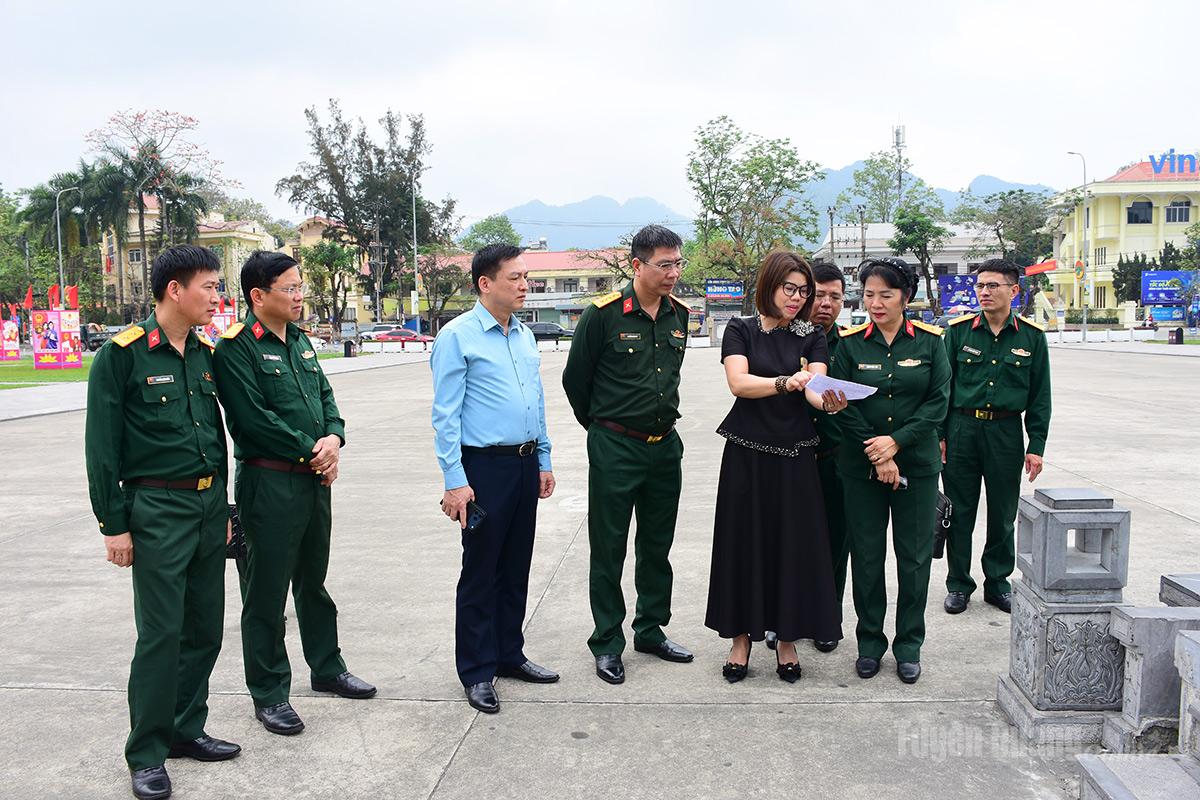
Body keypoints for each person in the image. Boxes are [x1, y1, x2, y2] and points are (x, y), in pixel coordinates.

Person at [84, 245, 240, 800]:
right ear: (175, 289)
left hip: (205, 509)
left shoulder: (204, 353)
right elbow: (101, 449)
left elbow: (217, 442)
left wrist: (223, 510)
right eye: (210, 286)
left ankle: (185, 729)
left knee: (205, 630)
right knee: (160, 635)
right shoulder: (123, 356)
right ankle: (147, 751)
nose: (217, 296)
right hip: (155, 511)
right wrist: (114, 524)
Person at [213, 251, 375, 739]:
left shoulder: (302, 343)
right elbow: (252, 419)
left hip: (312, 480)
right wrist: (314, 450)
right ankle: (269, 692)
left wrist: (334, 438)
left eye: (301, 286)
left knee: (313, 580)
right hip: (270, 483)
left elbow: (326, 400)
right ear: (258, 295)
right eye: (290, 288)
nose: (300, 295)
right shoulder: (235, 349)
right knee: (265, 591)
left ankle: (327, 667)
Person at [705, 251, 847, 683]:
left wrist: (829, 400)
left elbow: (816, 387)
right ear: (769, 284)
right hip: (746, 454)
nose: (798, 298)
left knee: (793, 545)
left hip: (794, 456)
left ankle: (786, 640)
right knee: (743, 542)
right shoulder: (740, 329)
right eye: (791, 289)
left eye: (804, 291)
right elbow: (739, 383)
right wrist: (787, 381)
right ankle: (741, 640)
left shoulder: (810, 335)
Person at [430, 243, 559, 714]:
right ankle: (477, 670)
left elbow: (537, 402)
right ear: (485, 284)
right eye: (515, 278)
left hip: (524, 465)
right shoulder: (458, 336)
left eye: (526, 277)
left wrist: (543, 458)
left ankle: (509, 653)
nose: (525, 285)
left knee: (515, 566)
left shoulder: (523, 335)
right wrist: (454, 480)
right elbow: (445, 416)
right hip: (483, 468)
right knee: (481, 571)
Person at [562, 224, 693, 684]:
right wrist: (601, 430)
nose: (674, 272)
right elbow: (575, 381)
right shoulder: (603, 315)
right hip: (615, 445)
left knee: (657, 546)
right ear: (637, 265)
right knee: (610, 546)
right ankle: (607, 641)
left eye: (678, 263)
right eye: (664, 264)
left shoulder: (679, 314)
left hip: (664, 447)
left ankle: (651, 630)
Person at [829, 257, 950, 685]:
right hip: (860, 467)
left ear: (906, 297)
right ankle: (869, 644)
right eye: (868, 294)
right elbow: (841, 404)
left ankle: (909, 645)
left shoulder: (933, 342)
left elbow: (937, 403)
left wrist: (896, 444)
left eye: (886, 294)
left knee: (914, 559)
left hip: (916, 467)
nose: (875, 303)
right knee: (866, 556)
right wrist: (879, 455)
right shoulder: (849, 343)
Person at [940, 259, 1051, 616]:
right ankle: (958, 584)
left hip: (1005, 431)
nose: (984, 292)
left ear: (1014, 291)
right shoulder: (957, 332)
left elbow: (1040, 397)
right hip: (962, 429)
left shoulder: (1032, 338)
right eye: (980, 286)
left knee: (1003, 512)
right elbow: (942, 388)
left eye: (993, 286)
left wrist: (1035, 446)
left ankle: (997, 583)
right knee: (959, 511)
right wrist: (939, 435)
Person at [808, 261, 850, 653]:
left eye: (834, 296)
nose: (826, 303)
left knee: (836, 543)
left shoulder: (854, 344)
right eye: (819, 294)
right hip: (790, 459)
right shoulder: (783, 340)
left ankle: (828, 617)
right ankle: (781, 617)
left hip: (837, 459)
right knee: (788, 541)